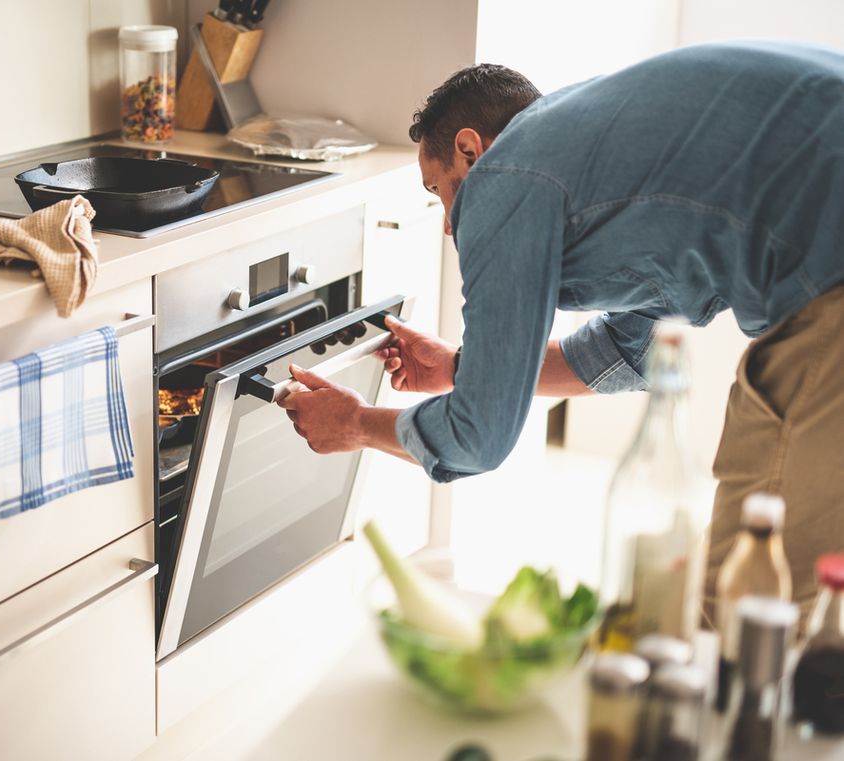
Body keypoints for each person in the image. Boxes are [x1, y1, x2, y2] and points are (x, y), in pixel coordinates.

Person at [278, 40, 844, 616]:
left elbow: (479, 438)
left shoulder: (505, 175)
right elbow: (629, 351)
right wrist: (461, 370)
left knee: (741, 600)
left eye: (440, 190)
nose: (450, 225)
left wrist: (353, 425)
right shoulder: (602, 154)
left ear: (471, 151)